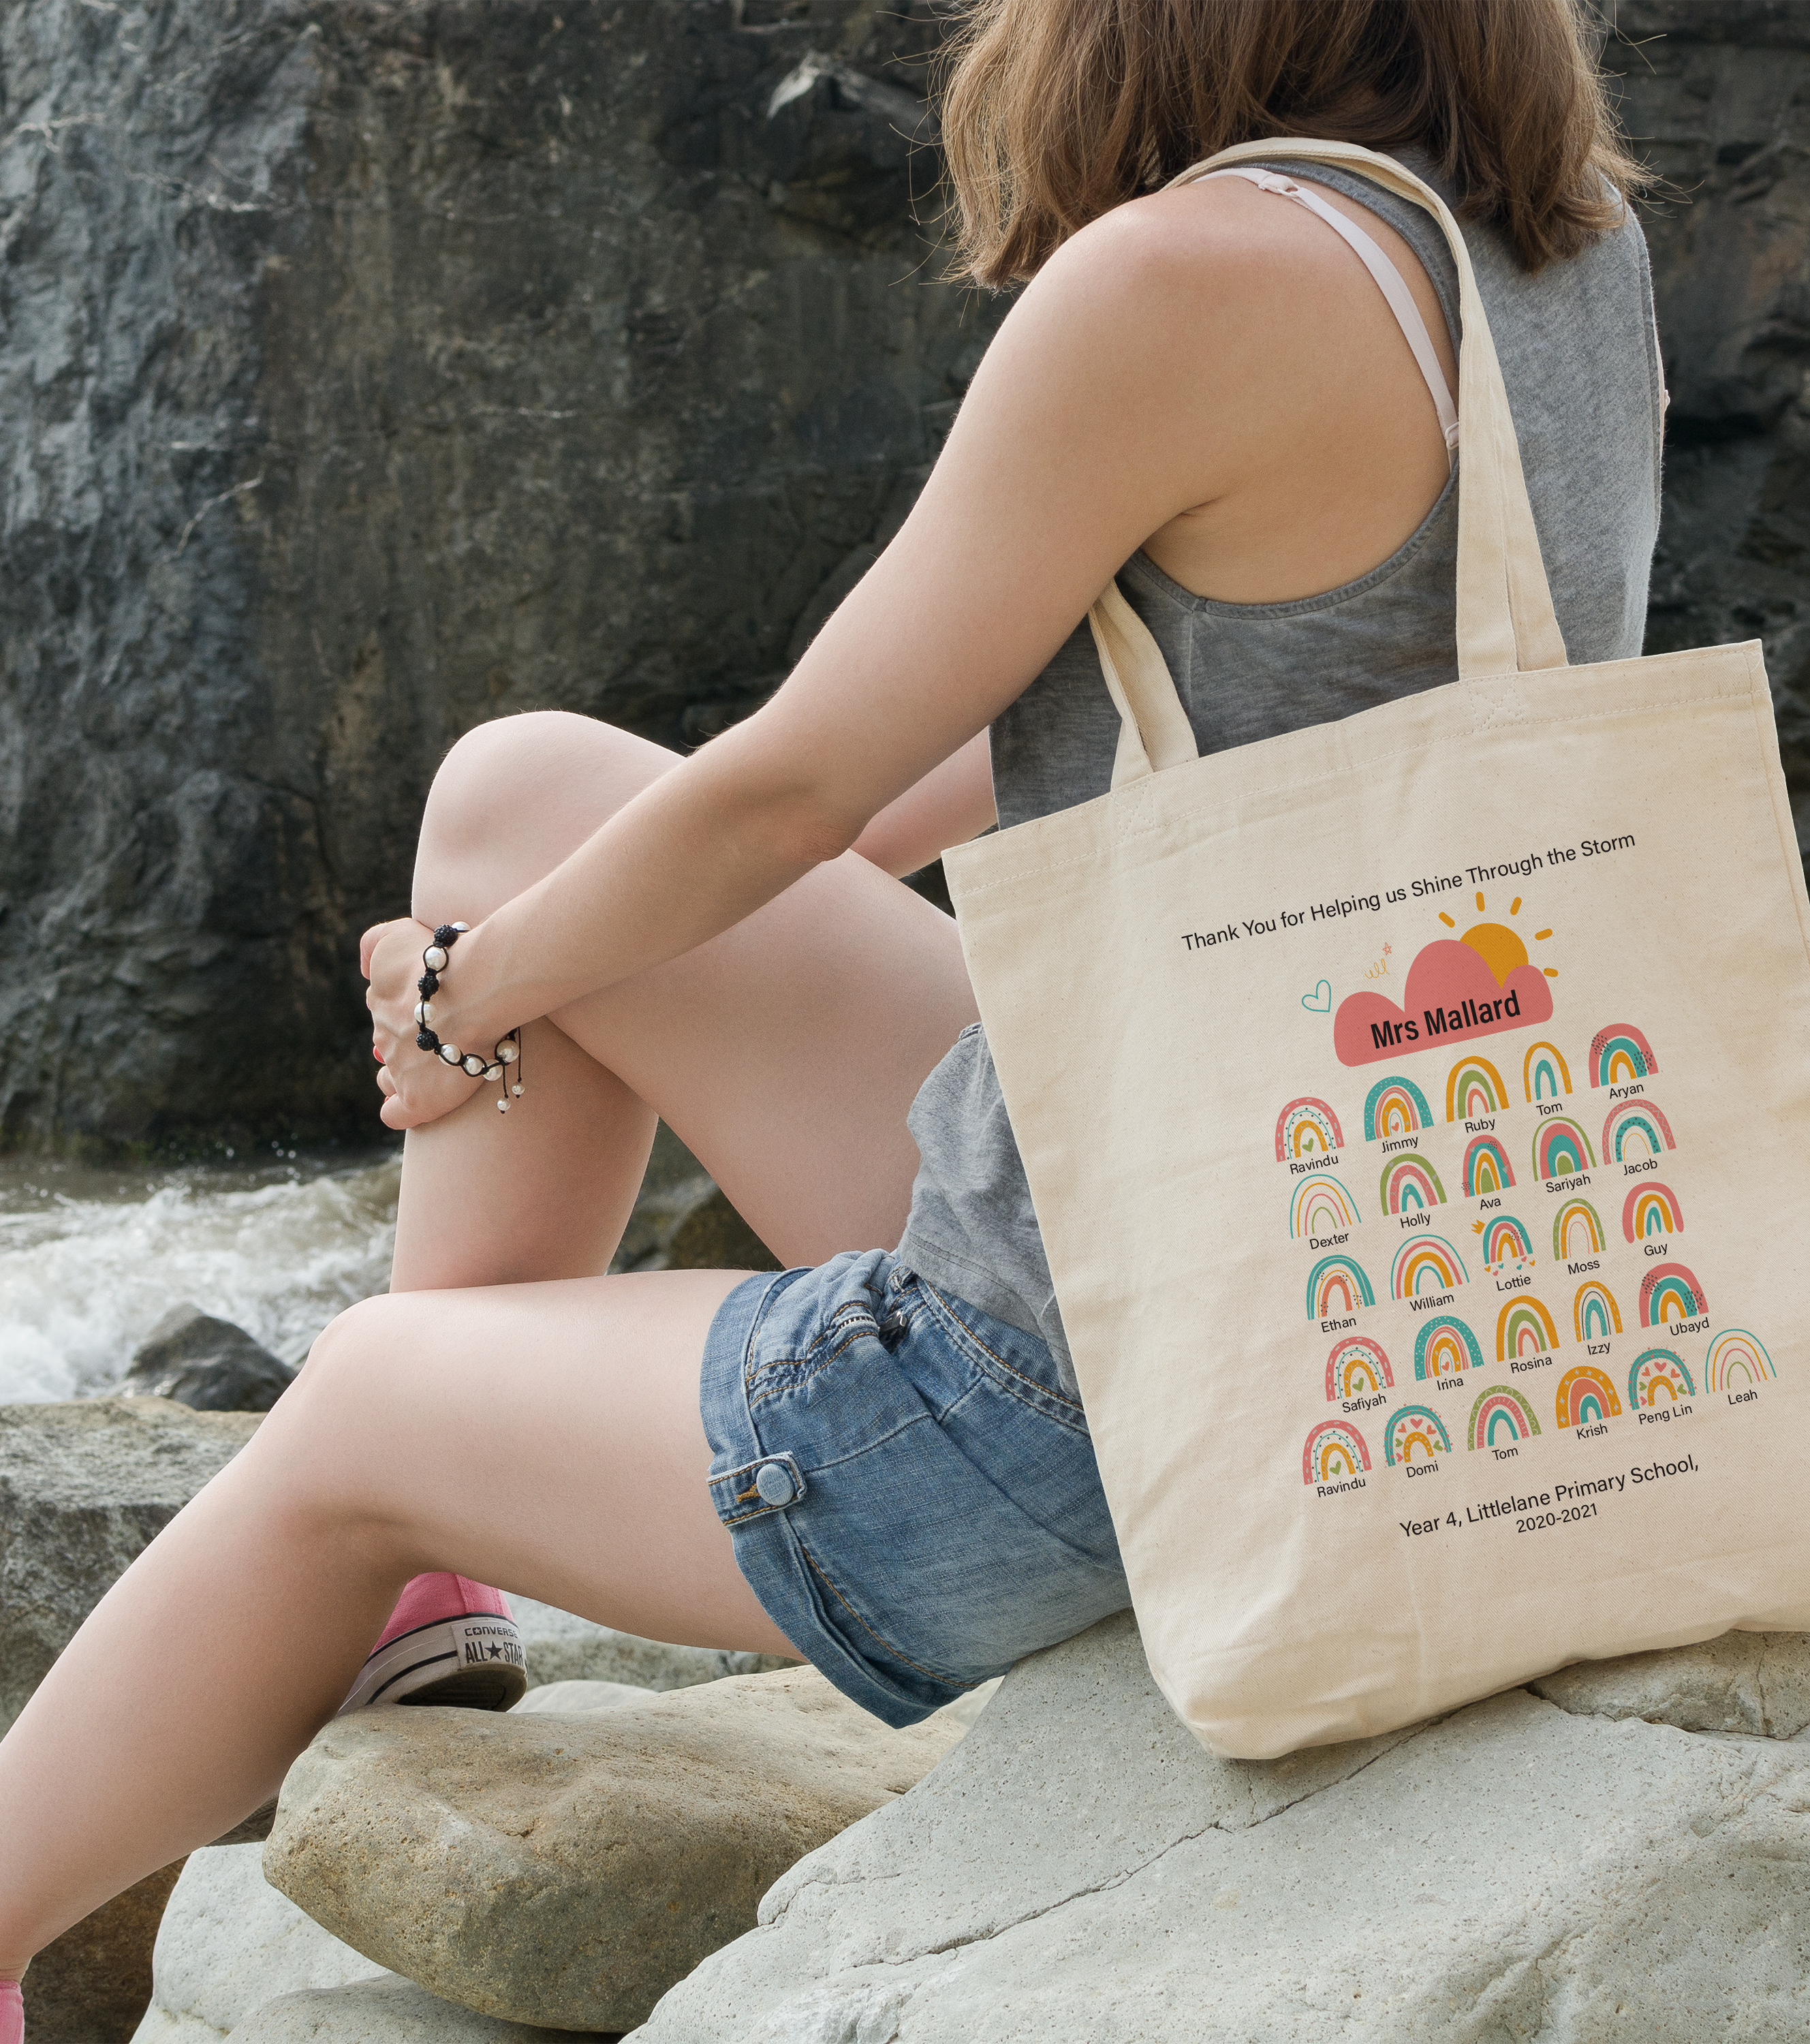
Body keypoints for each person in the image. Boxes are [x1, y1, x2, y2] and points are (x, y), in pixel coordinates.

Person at [0, 0, 1661, 2018]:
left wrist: (466, 991)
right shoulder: (1555, 250)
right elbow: (1078, 719)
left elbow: (789, 787)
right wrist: (636, 923)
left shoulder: (1179, 278)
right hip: (1406, 1252)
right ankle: (417, 1561)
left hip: (1108, 1405)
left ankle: (317, 1567)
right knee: (524, 798)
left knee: (354, 1385)